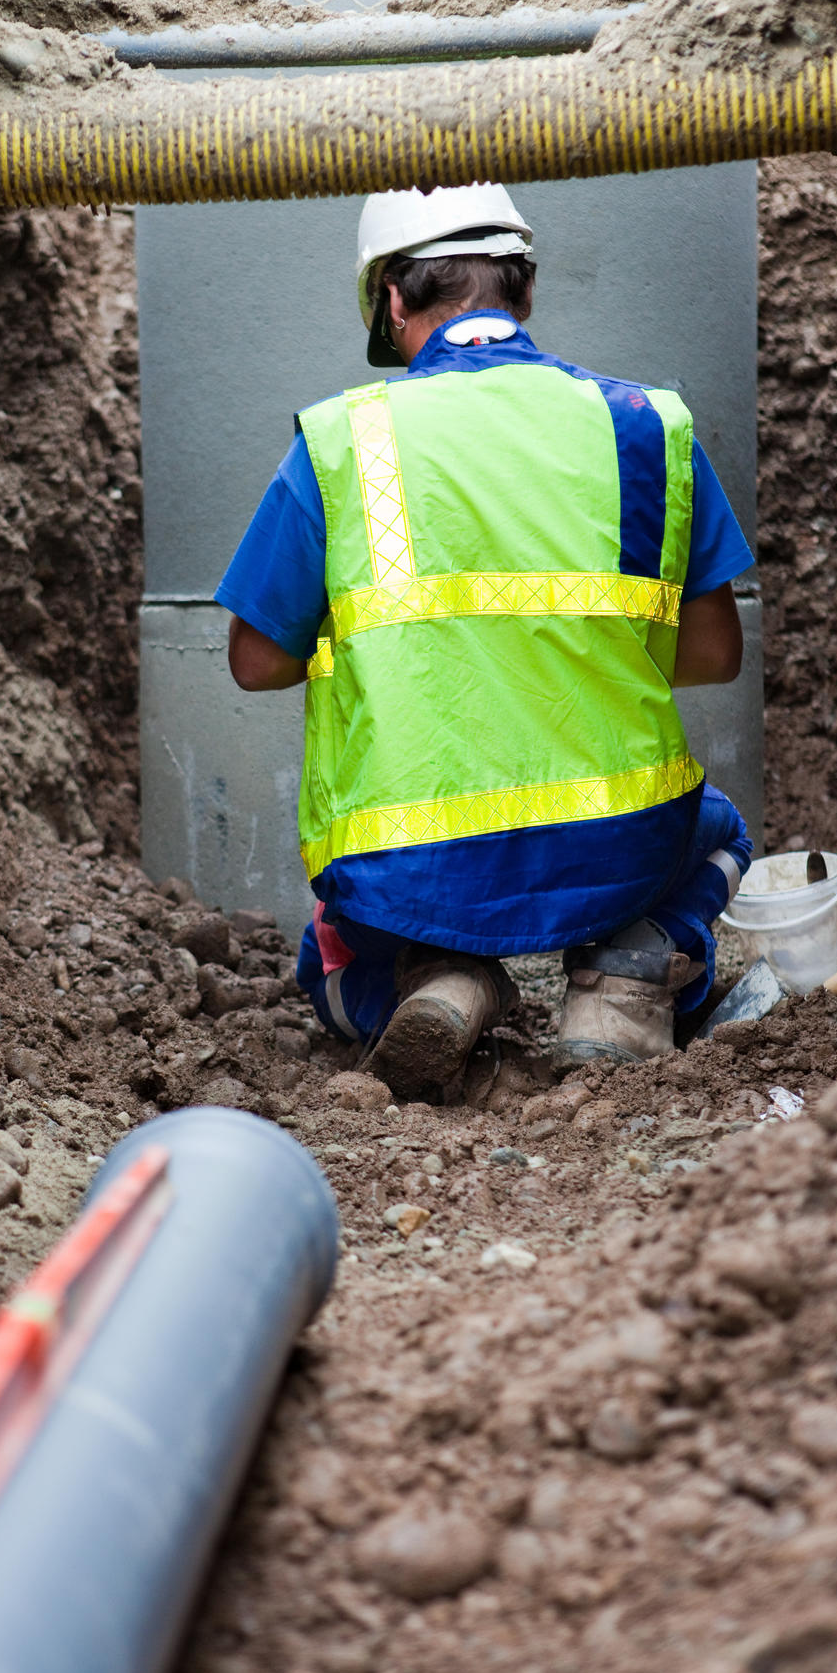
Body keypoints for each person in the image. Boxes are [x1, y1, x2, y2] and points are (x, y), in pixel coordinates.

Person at [215, 182, 754, 1094]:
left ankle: (435, 980)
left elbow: (255, 660)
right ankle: (627, 976)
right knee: (720, 836)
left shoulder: (344, 441)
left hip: (405, 870)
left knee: (333, 954)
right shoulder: (648, 426)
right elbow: (715, 654)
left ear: (391, 299)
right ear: (526, 290)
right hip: (620, 847)